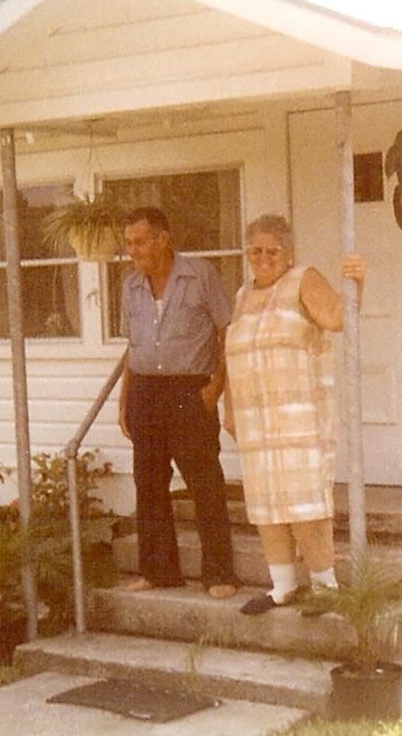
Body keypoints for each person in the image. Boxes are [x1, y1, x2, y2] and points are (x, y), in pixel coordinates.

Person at [224, 214, 365, 614]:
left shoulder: (304, 278)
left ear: (288, 254)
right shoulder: (241, 295)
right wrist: (230, 407)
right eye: (256, 250)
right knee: (266, 504)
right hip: (255, 421)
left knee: (305, 505)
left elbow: (339, 319)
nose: (263, 257)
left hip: (299, 417)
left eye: (273, 250)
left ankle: (325, 586)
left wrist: (358, 282)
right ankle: (282, 586)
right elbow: (232, 357)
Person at [118, 206, 237, 599]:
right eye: (129, 243)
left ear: (162, 239)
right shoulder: (131, 286)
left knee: (205, 484)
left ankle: (219, 574)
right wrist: (124, 401)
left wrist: (214, 389)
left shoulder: (200, 275)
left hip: (190, 391)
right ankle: (159, 571)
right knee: (148, 484)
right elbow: (132, 347)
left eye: (138, 242)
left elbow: (227, 334)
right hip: (145, 393)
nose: (132, 250)